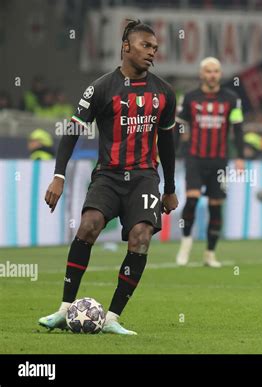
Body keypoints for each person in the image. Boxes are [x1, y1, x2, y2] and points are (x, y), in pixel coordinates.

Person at [38, 19, 178, 335]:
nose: (152, 53)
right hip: (108, 175)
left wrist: (169, 188)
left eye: (155, 48)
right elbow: (72, 130)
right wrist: (58, 175)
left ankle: (113, 317)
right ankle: (63, 310)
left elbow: (168, 143)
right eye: (146, 45)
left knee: (140, 237)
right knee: (88, 227)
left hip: (144, 178)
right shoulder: (100, 88)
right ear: (126, 47)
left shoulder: (164, 93)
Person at [175, 57, 244, 268]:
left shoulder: (232, 99)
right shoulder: (189, 98)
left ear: (220, 74)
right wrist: (170, 153)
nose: (212, 75)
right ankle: (185, 245)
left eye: (216, 71)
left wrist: (240, 157)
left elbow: (238, 129)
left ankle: (209, 254)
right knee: (192, 200)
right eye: (208, 71)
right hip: (194, 158)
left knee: (216, 206)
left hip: (219, 161)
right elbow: (179, 127)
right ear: (201, 74)